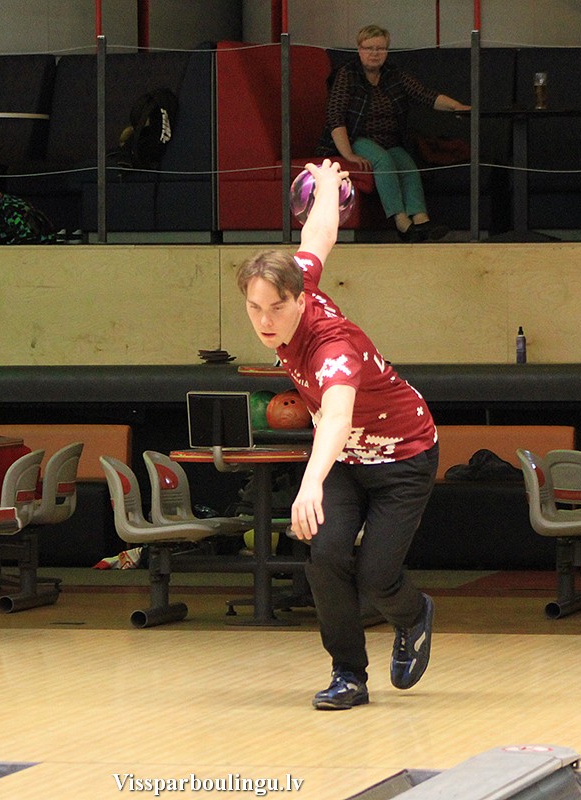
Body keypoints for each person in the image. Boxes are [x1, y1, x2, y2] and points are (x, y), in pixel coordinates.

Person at [236, 159, 439, 710]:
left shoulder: (332, 349)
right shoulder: (296, 277)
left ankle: (413, 614)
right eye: (255, 309)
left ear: (301, 300)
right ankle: (348, 674)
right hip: (346, 462)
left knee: (376, 576)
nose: (265, 321)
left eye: (277, 309)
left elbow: (337, 415)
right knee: (325, 559)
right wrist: (327, 186)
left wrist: (309, 483)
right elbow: (318, 235)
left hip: (403, 455)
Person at [316, 24, 470, 243]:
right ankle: (401, 222)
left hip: (389, 140)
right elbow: (335, 117)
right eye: (369, 48)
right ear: (359, 49)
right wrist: (348, 154)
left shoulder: (393, 74)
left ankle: (421, 220)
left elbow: (425, 95)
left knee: (408, 164)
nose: (374, 53)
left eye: (380, 48)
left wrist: (458, 107)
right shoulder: (347, 74)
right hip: (355, 137)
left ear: (387, 51)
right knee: (383, 160)